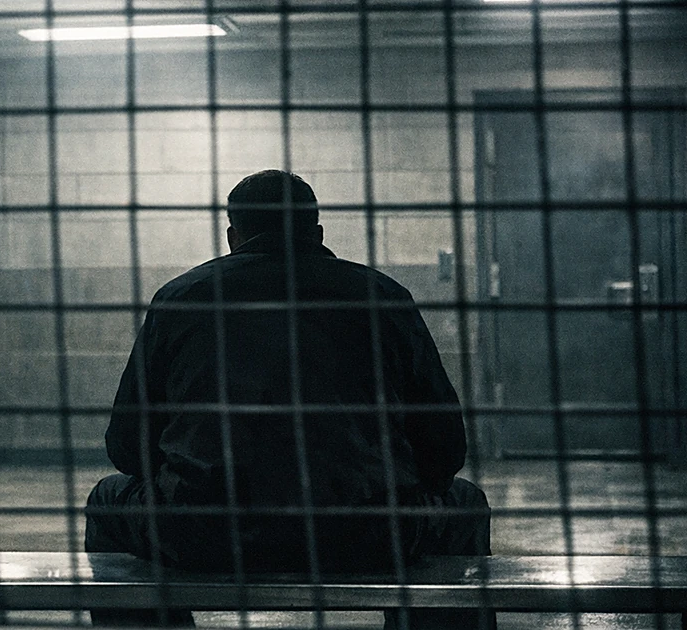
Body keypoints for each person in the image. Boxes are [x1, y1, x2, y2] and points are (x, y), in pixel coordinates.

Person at [84, 169, 493, 629]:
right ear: (316, 233)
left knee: (108, 499)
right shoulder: (382, 296)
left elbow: (126, 447)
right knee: (465, 503)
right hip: (365, 532)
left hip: (208, 533)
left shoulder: (181, 299)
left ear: (232, 235)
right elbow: (444, 449)